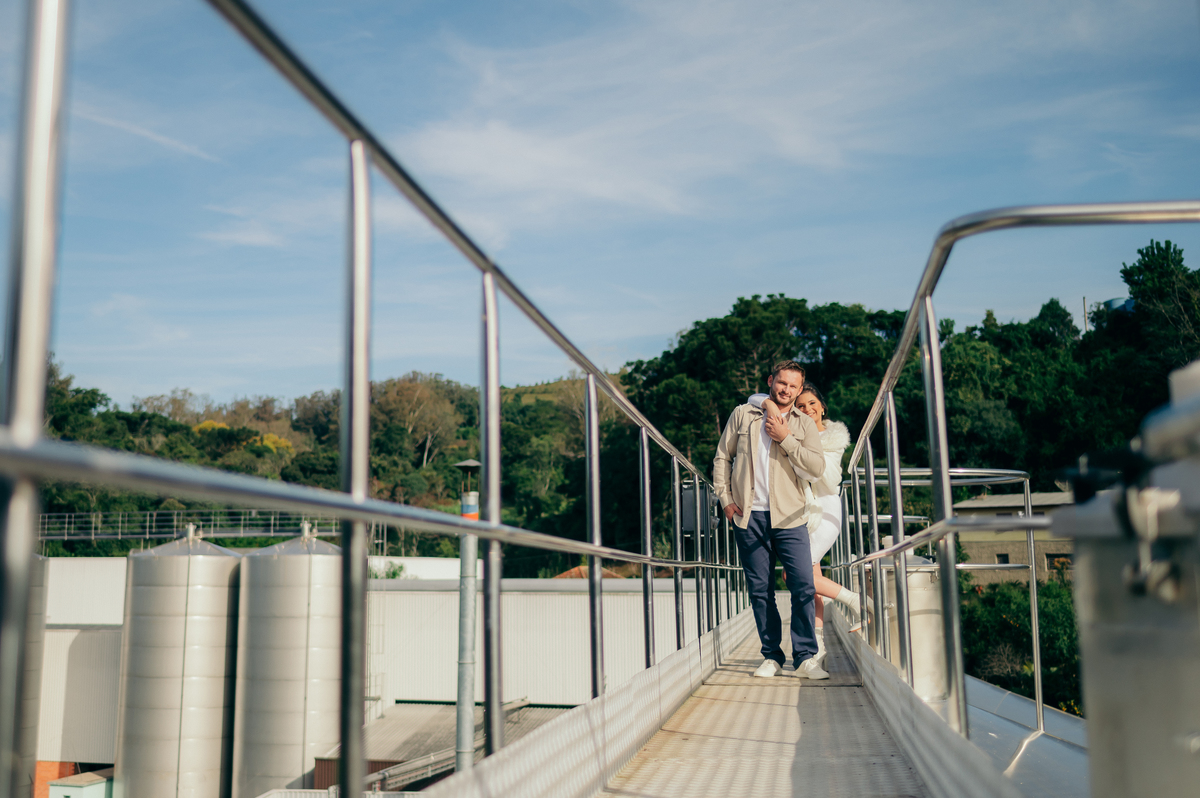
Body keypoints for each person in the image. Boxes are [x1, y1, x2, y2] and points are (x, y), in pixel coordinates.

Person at [713, 360, 829, 680]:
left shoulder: (803, 424)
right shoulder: (743, 414)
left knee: (803, 585)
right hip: (749, 516)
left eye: (793, 386)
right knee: (760, 590)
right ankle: (771, 656)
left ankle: (805, 657)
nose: (786, 390)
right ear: (770, 381)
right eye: (781, 383)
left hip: (790, 516)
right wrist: (726, 500)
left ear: (799, 389)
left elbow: (816, 467)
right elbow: (723, 457)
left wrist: (785, 437)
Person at [750, 383, 863, 666]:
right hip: (801, 510)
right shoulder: (795, 431)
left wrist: (794, 446)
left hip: (824, 510)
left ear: (823, 407)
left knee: (794, 576)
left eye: (812, 403)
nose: (807, 409)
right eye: (800, 406)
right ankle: (818, 643)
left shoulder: (832, 439)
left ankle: (857, 601)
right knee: (811, 578)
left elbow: (826, 477)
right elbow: (754, 398)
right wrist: (770, 405)